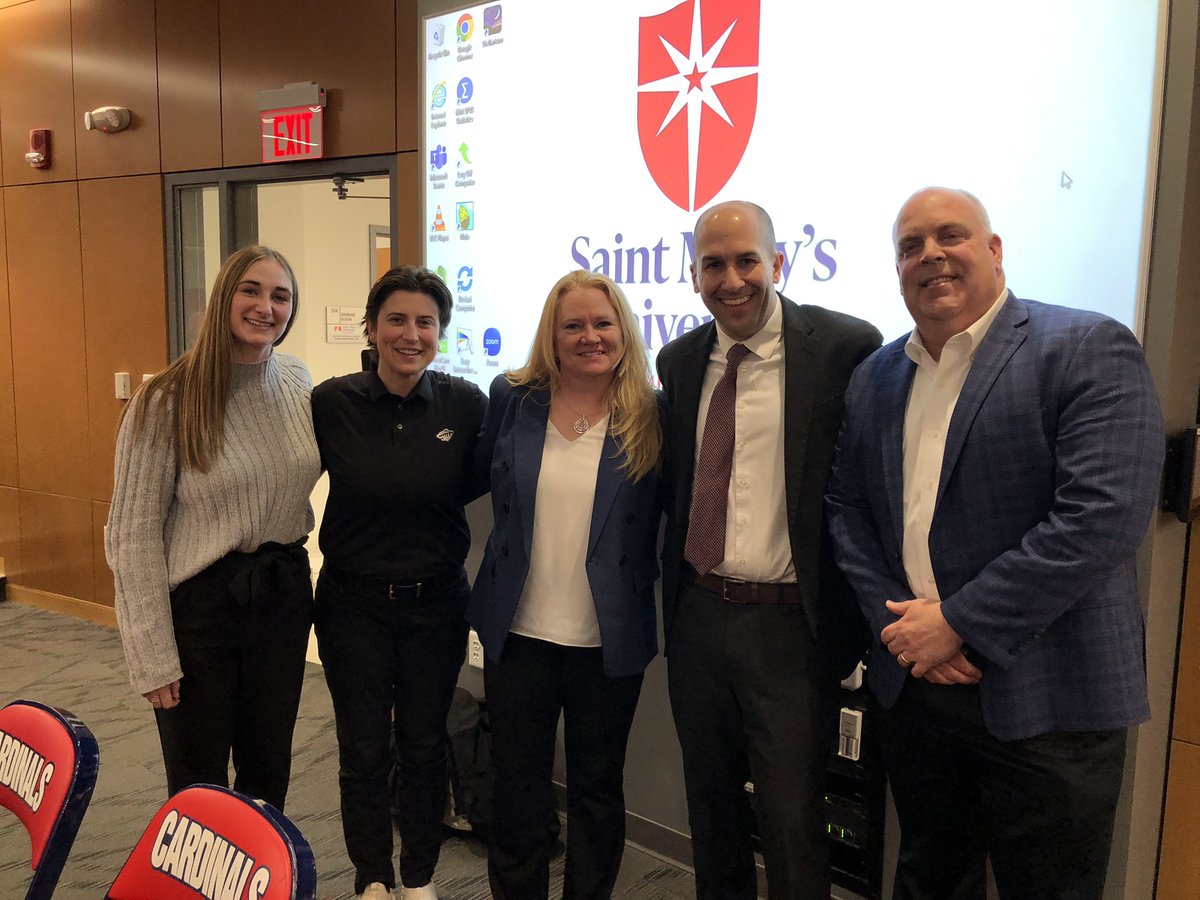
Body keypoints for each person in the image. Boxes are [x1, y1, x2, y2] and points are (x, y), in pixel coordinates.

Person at [825, 187, 1165, 900]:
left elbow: (1099, 519)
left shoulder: (1085, 346)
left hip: (1048, 696)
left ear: (994, 249)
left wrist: (957, 624)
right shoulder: (877, 376)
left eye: (950, 236)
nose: (931, 256)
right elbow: (848, 510)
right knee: (930, 878)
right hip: (918, 689)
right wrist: (899, 626)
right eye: (910, 247)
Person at [656, 200, 881, 898]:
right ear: (694, 275)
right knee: (711, 806)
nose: (732, 279)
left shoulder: (846, 347)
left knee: (791, 819)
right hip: (699, 615)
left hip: (790, 628)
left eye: (747, 260)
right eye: (713, 265)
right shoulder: (681, 358)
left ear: (778, 263)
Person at [469, 270, 663, 900]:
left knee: (597, 793)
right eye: (573, 325)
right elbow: (470, 480)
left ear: (623, 332)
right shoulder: (513, 397)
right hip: (519, 633)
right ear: (551, 335)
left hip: (606, 640)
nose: (589, 337)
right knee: (517, 789)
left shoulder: (652, 412)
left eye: (602, 324)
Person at [106, 245, 320, 810]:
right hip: (201, 610)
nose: (265, 307)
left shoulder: (298, 380)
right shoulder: (166, 400)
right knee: (198, 781)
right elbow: (131, 538)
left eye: (280, 295)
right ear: (224, 297)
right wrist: (150, 653)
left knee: (268, 766)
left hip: (282, 597)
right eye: (251, 290)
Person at [311, 265, 487, 900]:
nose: (411, 334)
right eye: (397, 320)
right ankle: (371, 879)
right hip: (352, 605)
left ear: (440, 331)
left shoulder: (465, 405)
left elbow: (472, 485)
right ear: (372, 327)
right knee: (362, 751)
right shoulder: (332, 403)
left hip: (436, 605)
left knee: (423, 745)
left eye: (425, 323)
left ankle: (416, 878)